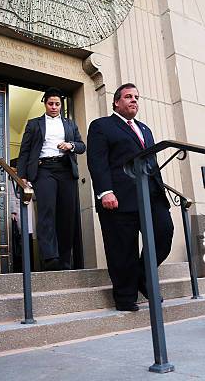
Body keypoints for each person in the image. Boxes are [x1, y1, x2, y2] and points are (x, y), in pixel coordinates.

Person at [87, 83, 174, 312]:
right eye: (128, 96)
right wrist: (105, 191)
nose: (134, 100)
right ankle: (125, 297)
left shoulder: (145, 129)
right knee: (122, 248)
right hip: (118, 197)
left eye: (136, 97)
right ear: (116, 102)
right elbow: (97, 161)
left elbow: (152, 162)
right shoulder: (101, 126)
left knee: (164, 233)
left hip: (151, 195)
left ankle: (142, 277)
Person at [16, 88, 85, 271]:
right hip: (43, 169)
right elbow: (24, 151)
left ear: (61, 105)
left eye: (57, 104)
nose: (54, 107)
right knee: (47, 212)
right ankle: (49, 257)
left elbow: (81, 146)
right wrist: (22, 176)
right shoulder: (33, 124)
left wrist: (70, 145)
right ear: (45, 103)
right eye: (50, 103)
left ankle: (64, 259)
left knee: (67, 215)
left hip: (65, 170)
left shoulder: (70, 124)